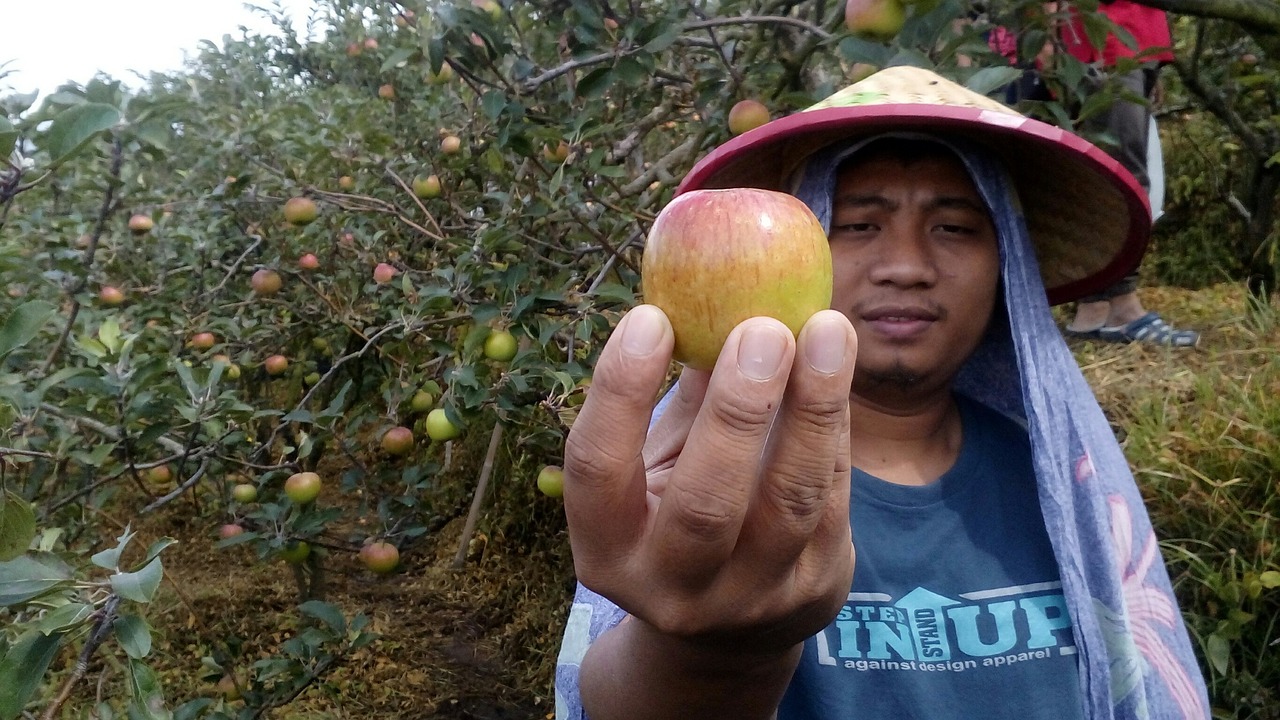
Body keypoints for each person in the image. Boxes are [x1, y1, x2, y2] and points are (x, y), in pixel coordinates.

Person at [553, 66, 1210, 719]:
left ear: (1007, 261)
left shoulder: (1071, 487)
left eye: (954, 227)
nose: (906, 268)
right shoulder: (714, 489)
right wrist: (709, 655)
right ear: (800, 252)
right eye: (859, 225)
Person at [1053, 0, 1200, 346]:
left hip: (1130, 39)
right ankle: (1121, 306)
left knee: (1111, 169)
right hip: (1108, 40)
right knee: (1122, 177)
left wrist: (1152, 63)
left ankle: (1095, 307)